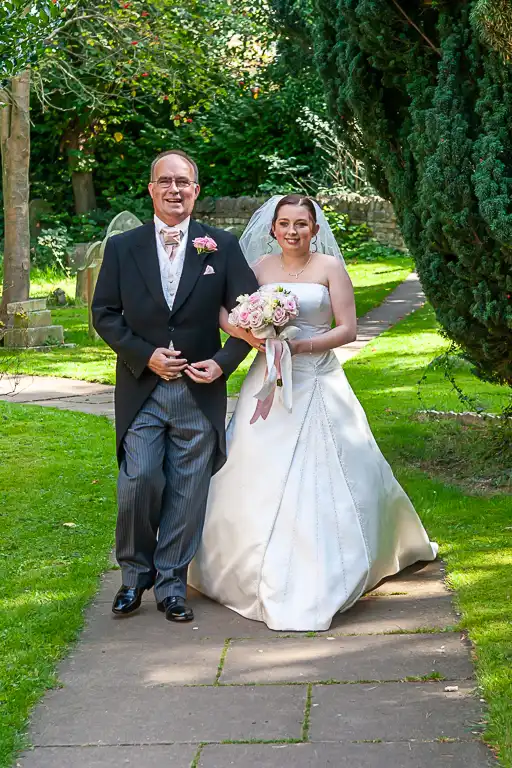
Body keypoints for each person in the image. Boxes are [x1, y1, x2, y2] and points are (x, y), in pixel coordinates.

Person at [189, 194, 438, 632]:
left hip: (317, 379)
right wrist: (251, 335)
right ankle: (238, 565)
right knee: (251, 466)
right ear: (272, 229)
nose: (292, 231)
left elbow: (348, 328)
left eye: (301, 224)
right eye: (284, 224)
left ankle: (342, 560)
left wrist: (301, 345)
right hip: (268, 378)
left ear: (314, 228)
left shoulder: (330, 268)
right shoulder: (259, 269)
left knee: (334, 467)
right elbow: (229, 312)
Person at [92, 150, 258, 623]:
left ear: (196, 190)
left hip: (197, 391)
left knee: (188, 490)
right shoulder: (124, 248)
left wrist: (223, 363)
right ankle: (132, 578)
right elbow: (104, 313)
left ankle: (171, 586)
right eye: (165, 181)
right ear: (151, 189)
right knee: (139, 481)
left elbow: (249, 317)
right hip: (141, 386)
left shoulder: (220, 246)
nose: (174, 190)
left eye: (183, 182)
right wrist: (145, 354)